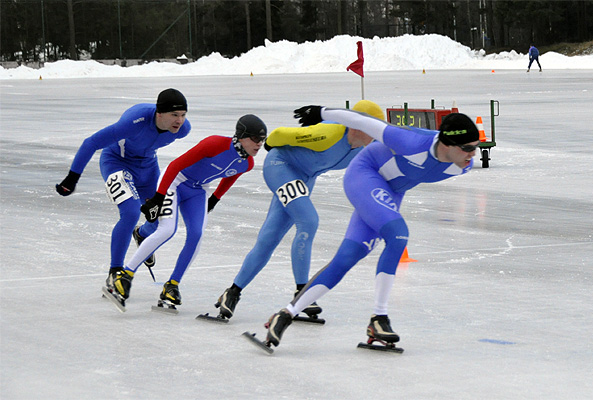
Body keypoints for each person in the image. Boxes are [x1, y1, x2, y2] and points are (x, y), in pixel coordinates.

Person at [262, 105, 480, 349]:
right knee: (398, 235)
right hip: (365, 174)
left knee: (348, 256)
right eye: (468, 148)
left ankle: (285, 314)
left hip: (391, 191)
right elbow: (364, 121)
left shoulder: (461, 164)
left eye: (476, 146)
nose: (473, 154)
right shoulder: (410, 141)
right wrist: (321, 113)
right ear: (448, 144)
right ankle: (379, 317)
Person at [213, 100, 385, 321]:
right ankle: (302, 293)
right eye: (372, 126)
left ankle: (232, 292)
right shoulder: (329, 132)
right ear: (356, 125)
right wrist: (268, 146)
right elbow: (278, 134)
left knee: (269, 238)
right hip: (281, 166)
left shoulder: (366, 147)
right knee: (308, 220)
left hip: (304, 178)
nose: (377, 132)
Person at [104, 114, 267, 311]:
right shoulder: (214, 144)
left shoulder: (247, 163)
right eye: (256, 139)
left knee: (196, 235)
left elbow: (231, 176)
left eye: (263, 140)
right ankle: (125, 275)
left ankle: (172, 286)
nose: (259, 144)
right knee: (166, 230)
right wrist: (158, 196)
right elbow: (175, 165)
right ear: (241, 136)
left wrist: (215, 198)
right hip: (176, 181)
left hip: (198, 190)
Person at [56, 88, 191, 287]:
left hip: (147, 167)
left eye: (183, 115)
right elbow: (91, 143)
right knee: (130, 213)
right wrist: (72, 177)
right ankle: (115, 270)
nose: (179, 121)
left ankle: (142, 234)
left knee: (158, 216)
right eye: (174, 115)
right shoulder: (134, 122)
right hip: (117, 162)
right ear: (159, 113)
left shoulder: (183, 130)